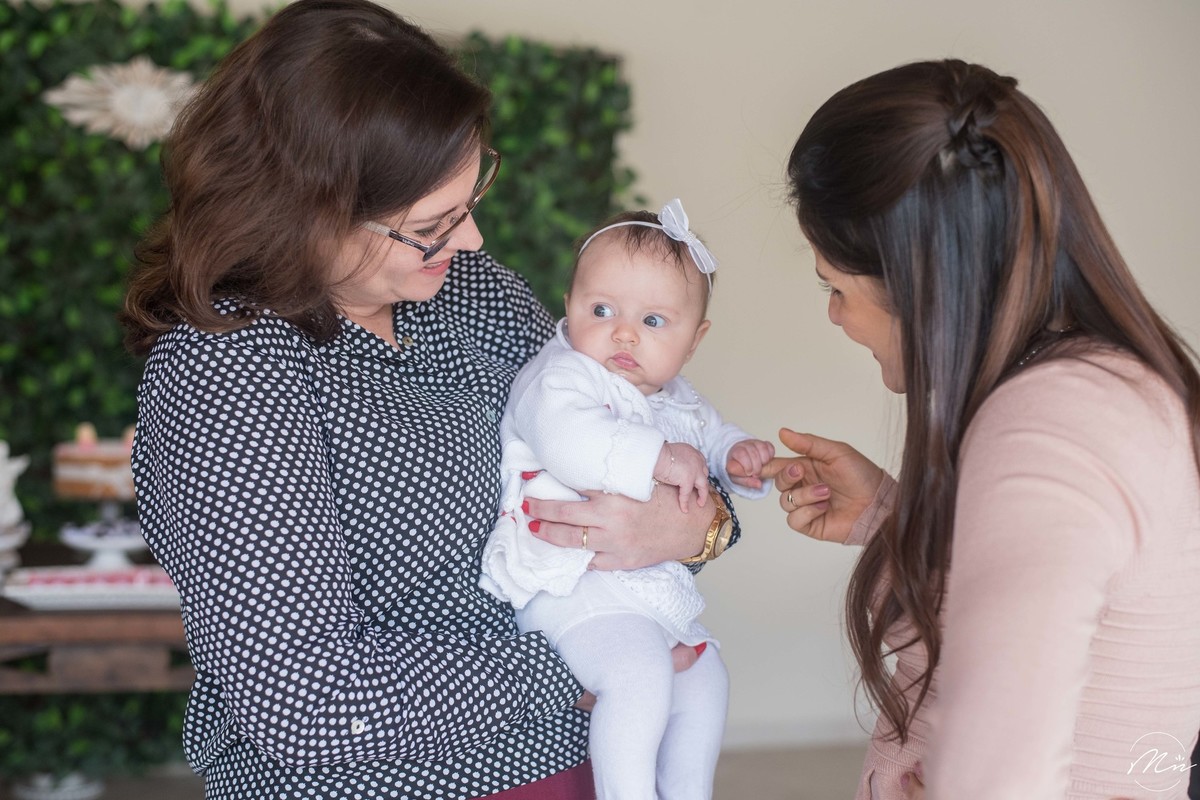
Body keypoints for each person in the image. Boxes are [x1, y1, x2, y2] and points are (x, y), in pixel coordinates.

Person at [120, 1, 731, 797]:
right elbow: (305, 702)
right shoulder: (229, 369)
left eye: (470, 204)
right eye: (434, 224)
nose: (472, 240)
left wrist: (703, 522)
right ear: (309, 205)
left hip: (588, 758)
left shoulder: (467, 294)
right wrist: (584, 671)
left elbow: (647, 428)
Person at [774, 59, 1200, 799]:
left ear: (919, 283)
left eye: (836, 288)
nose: (836, 316)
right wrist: (890, 515)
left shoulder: (1055, 428)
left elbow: (1004, 764)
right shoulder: (1078, 394)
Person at [479, 199, 775, 799]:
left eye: (654, 322)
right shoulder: (561, 376)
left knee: (705, 678)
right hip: (566, 584)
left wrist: (737, 456)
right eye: (601, 308)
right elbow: (570, 442)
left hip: (642, 595)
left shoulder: (679, 395)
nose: (623, 333)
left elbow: (710, 437)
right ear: (568, 306)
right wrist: (661, 459)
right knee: (637, 677)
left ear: (694, 341)